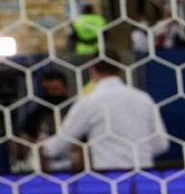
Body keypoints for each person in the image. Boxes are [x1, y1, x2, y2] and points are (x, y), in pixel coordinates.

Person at [40, 58, 169, 170]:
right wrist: (135, 152)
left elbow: (58, 145)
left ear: (92, 70)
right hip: (144, 175)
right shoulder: (144, 99)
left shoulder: (89, 102)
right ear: (119, 69)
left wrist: (41, 147)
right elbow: (161, 144)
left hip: (108, 177)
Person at [11, 69, 74, 173]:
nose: (51, 93)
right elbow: (24, 142)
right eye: (46, 90)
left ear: (65, 89)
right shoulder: (36, 114)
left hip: (73, 167)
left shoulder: (75, 111)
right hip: (45, 169)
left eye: (55, 89)